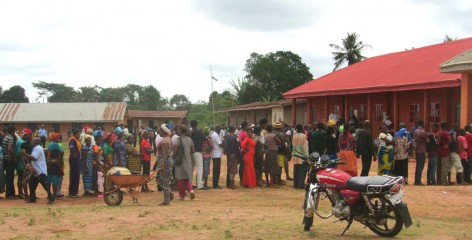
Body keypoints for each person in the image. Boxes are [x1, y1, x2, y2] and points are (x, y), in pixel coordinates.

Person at [24, 137, 54, 204]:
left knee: (45, 185)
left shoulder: (38, 148)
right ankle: (32, 198)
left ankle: (51, 198)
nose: (32, 142)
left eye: (33, 141)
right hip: (36, 170)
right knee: (32, 184)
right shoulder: (37, 148)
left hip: (40, 170)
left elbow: (34, 158)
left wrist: (25, 154)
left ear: (36, 142)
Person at [173, 126, 196, 200]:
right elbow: (193, 151)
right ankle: (191, 190)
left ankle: (182, 196)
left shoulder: (178, 140)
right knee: (186, 178)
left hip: (180, 162)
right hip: (188, 161)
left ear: (180, 131)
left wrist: (171, 157)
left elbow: (175, 151)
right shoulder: (190, 140)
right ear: (186, 131)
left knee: (180, 179)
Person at [156, 124, 175, 205]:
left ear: (164, 131)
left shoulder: (164, 141)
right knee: (160, 179)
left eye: (160, 130)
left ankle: (166, 201)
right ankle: (169, 193)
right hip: (166, 160)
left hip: (165, 161)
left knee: (164, 180)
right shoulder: (167, 139)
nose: (158, 131)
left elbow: (164, 154)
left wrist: (163, 164)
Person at [291, 124, 309, 189]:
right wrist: (307, 155)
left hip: (295, 155)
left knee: (296, 170)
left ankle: (295, 184)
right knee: (301, 171)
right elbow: (304, 146)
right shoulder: (303, 136)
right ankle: (300, 185)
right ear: (301, 129)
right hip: (302, 155)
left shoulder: (294, 136)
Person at [47, 133, 64, 199]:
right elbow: (62, 152)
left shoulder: (50, 144)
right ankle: (55, 195)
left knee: (49, 179)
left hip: (49, 162)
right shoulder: (56, 144)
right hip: (55, 163)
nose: (58, 139)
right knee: (55, 179)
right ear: (54, 138)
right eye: (57, 138)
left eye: (59, 138)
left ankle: (49, 194)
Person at [2, 125, 17, 199]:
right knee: (10, 177)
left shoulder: (6, 137)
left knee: (9, 176)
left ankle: (11, 193)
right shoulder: (10, 138)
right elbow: (9, 149)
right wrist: (14, 157)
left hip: (5, 158)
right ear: (13, 131)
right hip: (9, 159)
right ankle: (10, 194)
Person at [190, 120, 205, 190]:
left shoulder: (189, 131)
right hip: (197, 150)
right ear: (196, 124)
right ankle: (199, 185)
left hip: (190, 151)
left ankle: (189, 184)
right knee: (199, 168)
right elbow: (204, 138)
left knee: (191, 168)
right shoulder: (197, 131)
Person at [414, 121, 428, 185]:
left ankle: (416, 181)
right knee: (420, 166)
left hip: (417, 150)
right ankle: (418, 181)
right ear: (422, 124)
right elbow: (427, 140)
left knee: (417, 166)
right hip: (422, 150)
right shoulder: (423, 131)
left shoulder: (416, 131)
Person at [68, 129, 81, 198]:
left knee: (77, 176)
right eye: (78, 134)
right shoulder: (72, 140)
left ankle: (75, 192)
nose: (79, 135)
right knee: (74, 175)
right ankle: (72, 192)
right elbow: (71, 147)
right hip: (74, 160)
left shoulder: (76, 140)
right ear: (74, 134)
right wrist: (74, 153)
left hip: (77, 159)